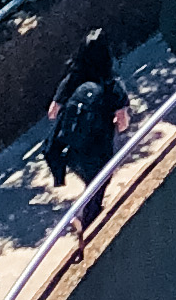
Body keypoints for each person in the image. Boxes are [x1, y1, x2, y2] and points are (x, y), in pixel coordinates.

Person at [44, 25, 131, 187]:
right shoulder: (113, 85)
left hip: (73, 146)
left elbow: (52, 113)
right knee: (98, 185)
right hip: (98, 147)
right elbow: (123, 125)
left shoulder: (72, 79)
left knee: (89, 183)